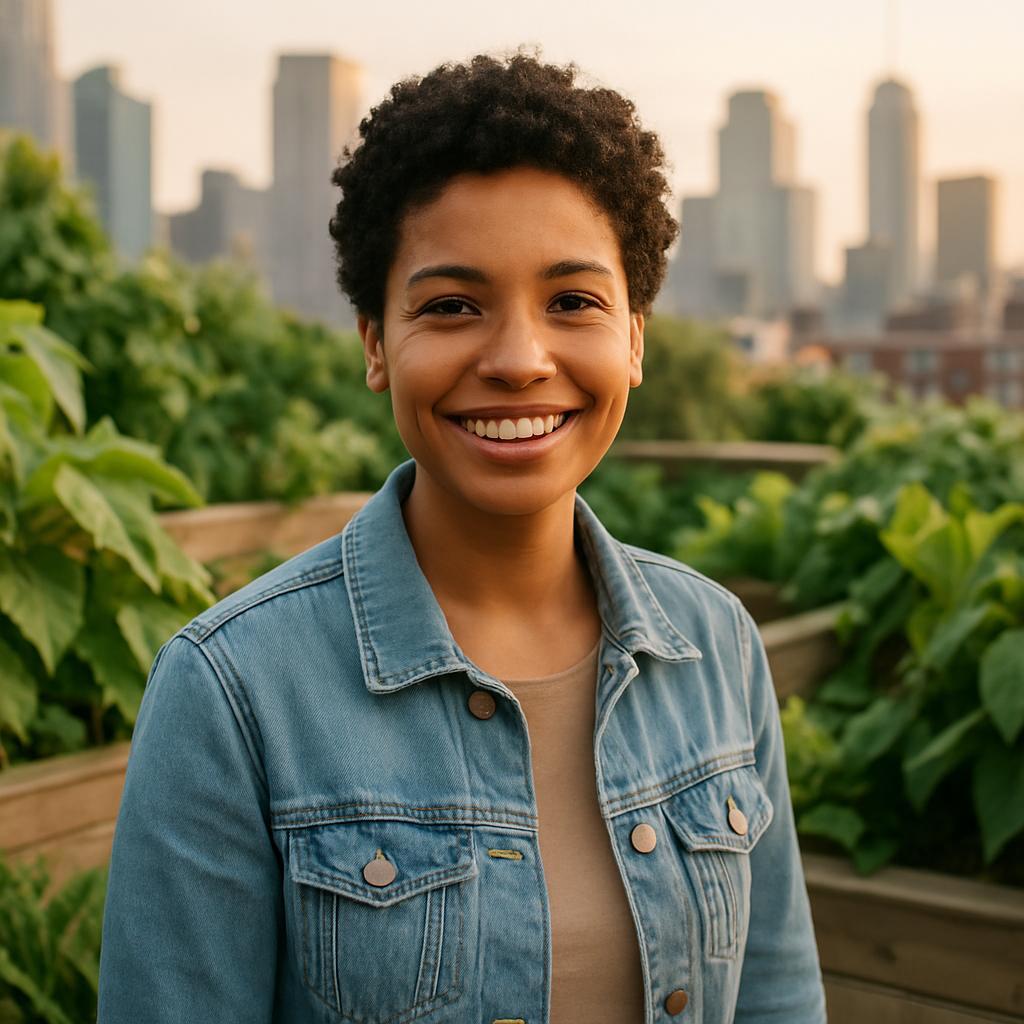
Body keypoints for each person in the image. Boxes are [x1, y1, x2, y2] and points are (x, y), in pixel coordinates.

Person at [98, 53, 826, 1024]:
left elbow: (777, 998)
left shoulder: (716, 644)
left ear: (636, 337)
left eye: (572, 301)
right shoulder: (232, 691)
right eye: (450, 306)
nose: (520, 359)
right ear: (372, 342)